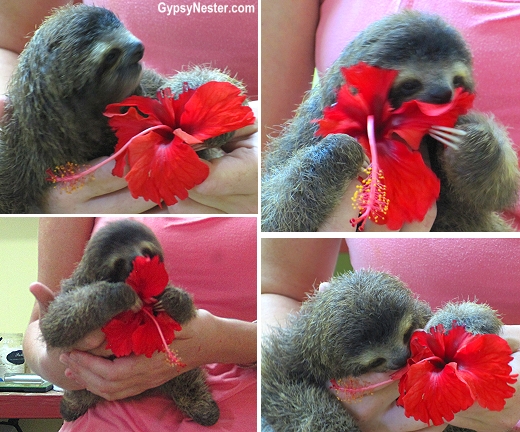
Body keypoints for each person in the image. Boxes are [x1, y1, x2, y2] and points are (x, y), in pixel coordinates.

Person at [261, 0, 520, 231]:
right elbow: (272, 218)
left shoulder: (460, 135)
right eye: (410, 84)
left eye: (456, 80)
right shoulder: (319, 124)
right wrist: (328, 163)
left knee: (484, 148)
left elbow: (499, 196)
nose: (444, 92)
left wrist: (486, 155)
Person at [0, 0, 258, 214]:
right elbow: (7, 44)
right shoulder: (18, 152)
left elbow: (212, 95)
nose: (138, 48)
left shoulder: (149, 90)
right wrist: (40, 209)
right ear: (73, 89)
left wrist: (250, 136)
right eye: (110, 56)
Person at [261, 237, 520, 431]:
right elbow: (274, 383)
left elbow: (469, 325)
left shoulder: (419, 317)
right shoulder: (296, 353)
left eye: (406, 335)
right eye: (376, 361)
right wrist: (335, 421)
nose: (401, 356)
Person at [25, 217, 257, 431]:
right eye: (121, 263)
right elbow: (46, 329)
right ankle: (78, 397)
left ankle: (193, 397)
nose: (136, 261)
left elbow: (184, 311)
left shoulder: (159, 290)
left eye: (145, 254)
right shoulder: (81, 288)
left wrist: (217, 341)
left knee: (188, 385)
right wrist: (64, 366)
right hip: (102, 414)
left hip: (237, 406)